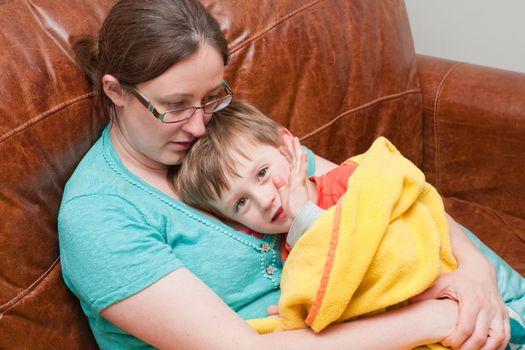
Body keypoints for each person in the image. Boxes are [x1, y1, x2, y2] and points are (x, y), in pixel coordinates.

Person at [57, 0, 511, 349]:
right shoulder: (99, 217)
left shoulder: (227, 133)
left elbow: (380, 191)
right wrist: (439, 318)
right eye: (174, 106)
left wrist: (476, 275)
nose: (200, 125)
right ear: (115, 90)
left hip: (439, 302)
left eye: (212, 96)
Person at [175, 100, 525, 345]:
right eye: (240, 202)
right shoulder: (292, 253)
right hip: (432, 326)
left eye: (262, 173)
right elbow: (343, 301)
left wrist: (305, 214)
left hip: (474, 296)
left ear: (287, 147)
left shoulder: (353, 182)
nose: (264, 199)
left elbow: (407, 217)